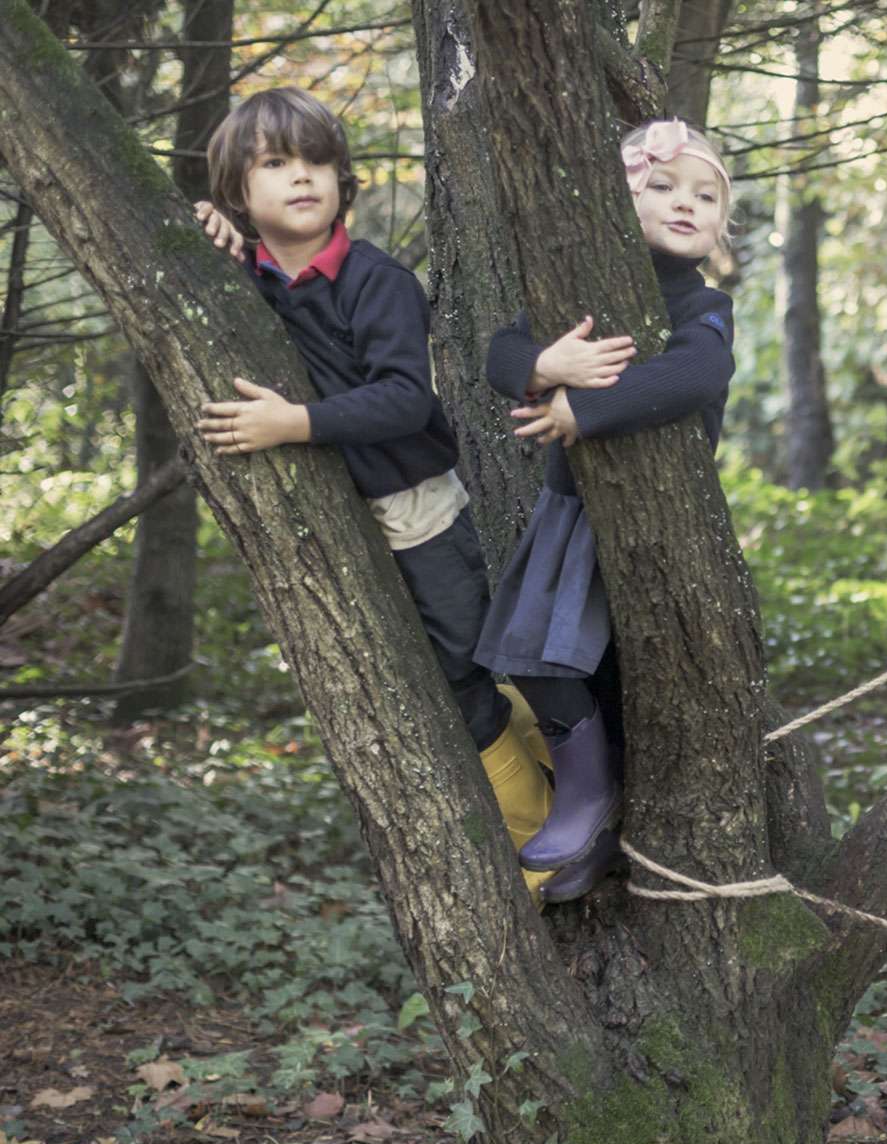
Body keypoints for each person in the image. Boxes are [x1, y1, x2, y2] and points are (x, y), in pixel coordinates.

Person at [191, 87, 552, 897]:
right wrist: (209, 238)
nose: (303, 178)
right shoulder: (251, 279)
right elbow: (218, 267)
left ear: (344, 180)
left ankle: (549, 837)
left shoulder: (375, 280)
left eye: (318, 161)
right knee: (450, 677)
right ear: (239, 194)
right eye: (275, 165)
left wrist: (296, 424)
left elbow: (404, 399)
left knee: (465, 675)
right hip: (356, 518)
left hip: (418, 508)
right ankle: (549, 797)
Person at [472, 118, 736, 902]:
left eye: (706, 195)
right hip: (569, 511)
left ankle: (596, 811)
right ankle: (586, 792)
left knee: (613, 672)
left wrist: (585, 411)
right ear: (620, 203)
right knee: (530, 656)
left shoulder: (704, 306)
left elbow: (697, 374)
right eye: (662, 186)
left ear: (723, 226)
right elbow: (501, 351)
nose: (686, 203)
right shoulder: (580, 296)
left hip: (650, 523)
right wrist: (546, 364)